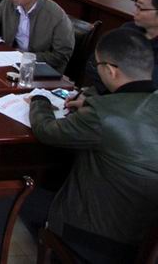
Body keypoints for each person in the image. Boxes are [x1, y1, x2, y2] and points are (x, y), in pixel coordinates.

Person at [22, 28, 158, 263]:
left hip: (97, 235)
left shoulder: (101, 114)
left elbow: (46, 131)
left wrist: (39, 100)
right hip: (145, 236)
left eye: (98, 65)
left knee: (21, 196)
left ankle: (56, 248)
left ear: (111, 71)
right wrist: (92, 103)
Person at [83, 0, 158, 92]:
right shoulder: (129, 29)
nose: (134, 11)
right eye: (136, 4)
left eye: (140, 7)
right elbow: (93, 64)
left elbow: (147, 89)